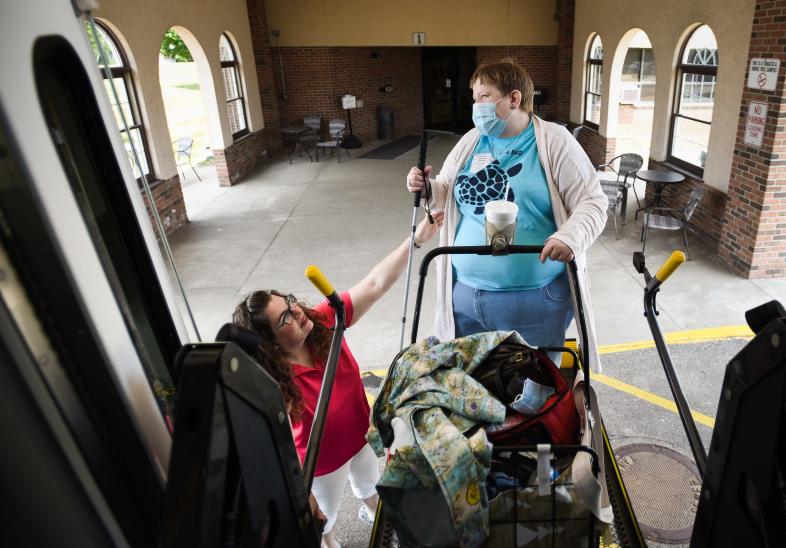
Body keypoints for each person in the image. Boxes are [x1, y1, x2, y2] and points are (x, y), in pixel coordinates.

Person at [232, 213, 443, 548]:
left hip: (361, 437)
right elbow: (276, 441)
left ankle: (371, 510)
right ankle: (331, 541)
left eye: (289, 301)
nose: (296, 310)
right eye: (284, 317)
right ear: (269, 344)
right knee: (324, 517)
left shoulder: (326, 320)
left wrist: (415, 240)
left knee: (370, 483)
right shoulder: (273, 381)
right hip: (322, 465)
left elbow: (375, 284)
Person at [406, 59, 607, 369]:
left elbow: (593, 201)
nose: (476, 106)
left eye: (484, 97)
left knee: (534, 390)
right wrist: (427, 187)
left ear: (514, 99)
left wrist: (570, 236)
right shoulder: (471, 141)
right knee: (473, 389)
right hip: (466, 297)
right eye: (474, 98)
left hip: (534, 302)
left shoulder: (554, 141)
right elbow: (445, 190)